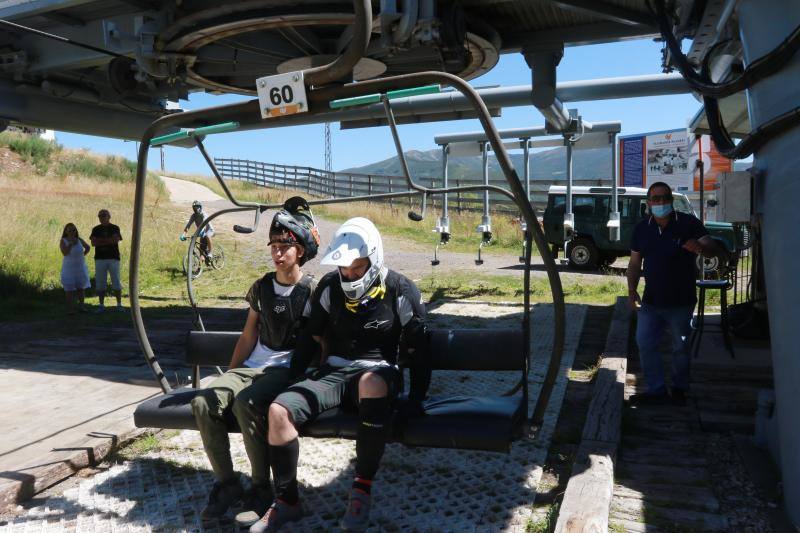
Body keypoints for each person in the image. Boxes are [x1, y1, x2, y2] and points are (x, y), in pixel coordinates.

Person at [252, 217, 430, 533]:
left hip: (378, 373)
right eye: (343, 269)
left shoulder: (400, 290)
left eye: (356, 268)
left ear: (373, 259)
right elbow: (309, 334)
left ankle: (361, 489)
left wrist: (415, 398)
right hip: (333, 372)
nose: (348, 275)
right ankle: (287, 501)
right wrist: (295, 377)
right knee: (279, 411)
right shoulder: (329, 287)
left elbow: (421, 349)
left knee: (370, 382)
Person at [190, 197, 321, 526]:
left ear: (300, 251)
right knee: (204, 402)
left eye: (285, 246)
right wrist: (231, 375)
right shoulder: (262, 288)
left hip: (285, 369)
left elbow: (322, 342)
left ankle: (262, 488)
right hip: (252, 367)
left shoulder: (313, 291)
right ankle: (227, 482)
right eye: (274, 245)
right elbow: (249, 335)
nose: (277, 253)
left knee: (247, 403)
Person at [626, 182, 720, 406]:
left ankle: (679, 388)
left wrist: (700, 246)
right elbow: (634, 263)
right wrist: (631, 291)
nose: (660, 203)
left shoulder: (689, 224)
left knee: (680, 348)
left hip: (681, 301)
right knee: (645, 343)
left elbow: (713, 248)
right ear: (648, 203)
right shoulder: (641, 229)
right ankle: (656, 389)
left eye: (664, 198)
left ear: (671, 200)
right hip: (651, 301)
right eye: (655, 199)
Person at [89, 209, 123, 312]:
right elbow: (93, 243)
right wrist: (109, 241)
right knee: (100, 282)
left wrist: (100, 241)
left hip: (113, 258)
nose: (102, 217)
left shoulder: (115, 228)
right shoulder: (95, 229)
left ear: (109, 216)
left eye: (104, 215)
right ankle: (101, 305)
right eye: (100, 216)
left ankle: (119, 304)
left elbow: (115, 240)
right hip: (100, 258)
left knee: (116, 281)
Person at [59, 222, 91, 314]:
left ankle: (82, 306)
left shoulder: (79, 239)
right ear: (66, 231)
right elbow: (65, 253)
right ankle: (70, 309)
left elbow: (88, 247)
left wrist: (82, 255)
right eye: (69, 230)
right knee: (69, 290)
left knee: (81, 288)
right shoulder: (63, 240)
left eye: (74, 230)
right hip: (69, 268)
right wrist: (70, 244)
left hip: (80, 267)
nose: (72, 232)